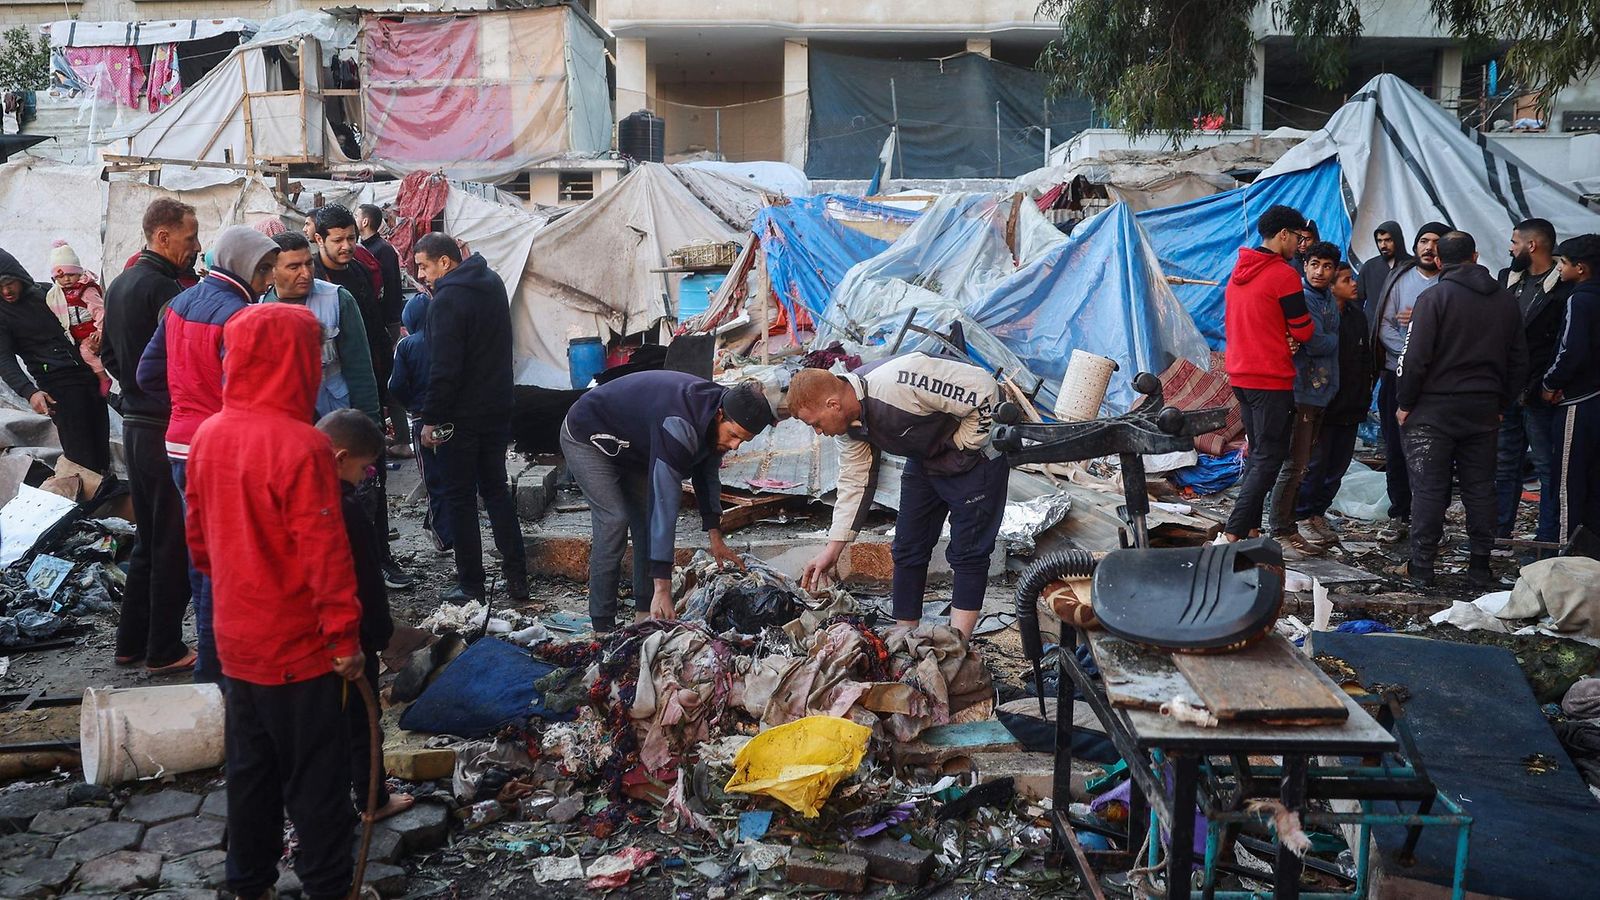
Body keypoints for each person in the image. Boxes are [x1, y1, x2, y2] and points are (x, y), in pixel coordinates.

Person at [183, 302, 364, 900]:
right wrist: (344, 638)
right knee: (316, 779)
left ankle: (247, 883)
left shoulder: (208, 434)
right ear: (296, 360)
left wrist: (237, 584)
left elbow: (199, 542)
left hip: (238, 640)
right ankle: (328, 887)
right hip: (299, 646)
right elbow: (324, 555)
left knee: (250, 772)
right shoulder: (303, 445)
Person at [139, 225, 281, 684]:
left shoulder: (181, 302)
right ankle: (218, 672)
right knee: (228, 562)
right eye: (262, 269)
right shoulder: (239, 315)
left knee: (203, 556)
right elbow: (245, 393)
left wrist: (185, 405)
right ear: (241, 265)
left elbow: (147, 375)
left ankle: (212, 667)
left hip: (181, 445)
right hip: (221, 450)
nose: (266, 278)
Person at [791, 353, 1006, 637]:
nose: (818, 432)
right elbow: (855, 481)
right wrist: (833, 551)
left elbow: (984, 390)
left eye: (815, 423)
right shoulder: (848, 425)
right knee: (907, 546)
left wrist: (962, 443)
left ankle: (958, 644)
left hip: (975, 460)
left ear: (833, 405)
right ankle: (904, 635)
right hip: (926, 459)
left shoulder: (898, 382)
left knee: (968, 553)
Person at [562, 372, 775, 632]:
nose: (735, 445)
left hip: (634, 445)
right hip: (589, 435)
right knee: (614, 520)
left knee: (643, 521)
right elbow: (664, 504)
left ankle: (645, 614)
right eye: (733, 435)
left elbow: (707, 477)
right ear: (720, 415)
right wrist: (663, 587)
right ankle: (602, 623)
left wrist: (716, 538)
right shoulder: (681, 423)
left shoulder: (721, 410)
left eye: (743, 440)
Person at [1392, 231, 1527, 588]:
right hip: (1483, 410)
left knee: (1430, 490)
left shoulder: (1433, 297)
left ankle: (1422, 568)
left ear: (1438, 261)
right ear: (1476, 256)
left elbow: (1414, 358)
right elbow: (1519, 362)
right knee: (1481, 487)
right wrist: (1501, 404)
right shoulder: (1506, 301)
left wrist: (1405, 403)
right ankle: (1480, 567)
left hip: (1432, 412)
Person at [101, 197, 201, 674]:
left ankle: (130, 644)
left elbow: (112, 360)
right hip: (165, 428)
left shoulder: (120, 284)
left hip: (136, 426)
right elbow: (176, 361)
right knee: (172, 542)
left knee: (148, 540)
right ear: (163, 237)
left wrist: (132, 396)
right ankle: (164, 649)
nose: (195, 248)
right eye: (189, 238)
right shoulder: (164, 289)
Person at [414, 233, 528, 605]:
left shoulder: (447, 300)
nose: (422, 274)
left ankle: (471, 584)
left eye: (424, 266)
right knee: (495, 491)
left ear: (444, 262)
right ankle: (516, 576)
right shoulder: (491, 281)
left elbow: (443, 369)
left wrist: (431, 419)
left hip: (459, 417)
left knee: (460, 497)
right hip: (497, 407)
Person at [316, 408, 415, 822]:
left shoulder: (291, 493)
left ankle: (324, 803)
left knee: (321, 726)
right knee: (363, 720)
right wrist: (378, 633)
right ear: (340, 459)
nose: (363, 477)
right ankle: (372, 800)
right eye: (362, 469)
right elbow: (365, 580)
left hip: (305, 639)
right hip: (348, 638)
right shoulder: (345, 509)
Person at [312, 206, 412, 591]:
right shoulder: (312, 282)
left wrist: (381, 392)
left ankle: (379, 558)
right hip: (324, 407)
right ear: (319, 238)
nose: (347, 246)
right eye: (338, 240)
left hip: (362, 390)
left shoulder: (358, 271)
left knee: (373, 478)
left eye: (351, 238)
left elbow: (372, 334)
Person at [1221, 205, 1317, 543]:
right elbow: (1304, 329)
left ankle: (1250, 527)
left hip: (1240, 375)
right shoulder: (1283, 274)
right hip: (1269, 377)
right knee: (1269, 456)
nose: (1300, 247)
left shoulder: (1239, 270)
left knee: (1259, 451)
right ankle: (1232, 533)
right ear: (1283, 235)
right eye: (1298, 239)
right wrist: (1291, 335)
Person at [1368, 221, 1449, 542]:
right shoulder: (1399, 278)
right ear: (1415, 246)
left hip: (1438, 382)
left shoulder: (1451, 282)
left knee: (1436, 453)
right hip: (1396, 377)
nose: (1429, 248)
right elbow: (1385, 325)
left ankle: (1433, 520)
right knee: (1396, 449)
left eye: (1436, 242)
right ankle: (1401, 513)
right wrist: (1411, 353)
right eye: (1424, 241)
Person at [1495, 218, 1571, 547]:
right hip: (1507, 391)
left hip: (1542, 393)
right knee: (1503, 465)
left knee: (1547, 469)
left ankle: (1546, 539)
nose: (1510, 248)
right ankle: (1497, 534)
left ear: (1532, 245)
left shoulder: (1566, 289)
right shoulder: (1507, 281)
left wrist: (1550, 383)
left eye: (1515, 241)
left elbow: (1564, 344)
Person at [0, 249, 111, 473]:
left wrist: (96, 339)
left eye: (9, 283)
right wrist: (29, 392)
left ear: (19, 276)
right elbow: (4, 360)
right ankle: (85, 503)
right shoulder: (2, 313)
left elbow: (81, 318)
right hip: (57, 384)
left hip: (87, 374)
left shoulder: (48, 294)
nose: (6, 291)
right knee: (81, 455)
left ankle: (104, 498)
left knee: (100, 444)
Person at [1267, 240, 1341, 559]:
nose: (1320, 271)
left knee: (1301, 465)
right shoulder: (1303, 298)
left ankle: (1288, 527)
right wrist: (1331, 339)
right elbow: (1311, 339)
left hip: (1319, 390)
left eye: (1326, 266)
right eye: (1314, 265)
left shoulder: (1327, 300)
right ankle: (1279, 530)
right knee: (1293, 464)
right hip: (1300, 391)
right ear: (1305, 265)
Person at [264, 232, 380, 424]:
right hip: (285, 421)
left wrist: (370, 423)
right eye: (294, 267)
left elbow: (360, 370)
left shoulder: (337, 299)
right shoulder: (259, 306)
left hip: (335, 417)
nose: (306, 273)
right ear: (272, 270)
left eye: (309, 263)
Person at [1297, 261, 1374, 546]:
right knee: (1315, 464)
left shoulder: (1357, 315)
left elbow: (1365, 357)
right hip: (1324, 402)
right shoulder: (1323, 315)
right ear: (1331, 287)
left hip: (1351, 402)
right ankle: (1302, 515)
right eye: (1345, 280)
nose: (1353, 283)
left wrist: (1365, 393)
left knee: (1337, 466)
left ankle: (1317, 512)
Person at [1541, 234, 1600, 540]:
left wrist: (1550, 383)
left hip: (1578, 401)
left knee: (1568, 483)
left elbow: (1570, 350)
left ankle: (1567, 557)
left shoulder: (1580, 299)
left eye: (1563, 263)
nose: (1560, 269)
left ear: (1580, 268)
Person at [389, 291, 452, 552]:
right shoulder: (450, 339)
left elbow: (396, 385)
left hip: (422, 421)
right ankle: (438, 527)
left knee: (433, 480)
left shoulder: (406, 346)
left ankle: (444, 537)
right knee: (452, 476)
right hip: (452, 420)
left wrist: (411, 405)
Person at [358, 203, 412, 457]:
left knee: (386, 378)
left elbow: (390, 289)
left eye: (357, 215)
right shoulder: (367, 249)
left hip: (383, 324)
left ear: (366, 221)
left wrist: (390, 324)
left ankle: (401, 438)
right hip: (377, 323)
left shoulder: (382, 250)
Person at [44, 241, 110, 396]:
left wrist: (100, 331)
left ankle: (103, 378)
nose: (66, 279)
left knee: (86, 352)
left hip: (90, 332)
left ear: (79, 273)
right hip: (74, 335)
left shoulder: (85, 290)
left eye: (70, 274)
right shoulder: (57, 295)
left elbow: (100, 311)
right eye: (61, 276)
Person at [1356, 221, 1411, 312]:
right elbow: (1357, 301)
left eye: (1388, 240)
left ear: (1397, 240)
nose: (1383, 246)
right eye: (1379, 241)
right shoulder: (1369, 267)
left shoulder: (1412, 265)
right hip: (1373, 324)